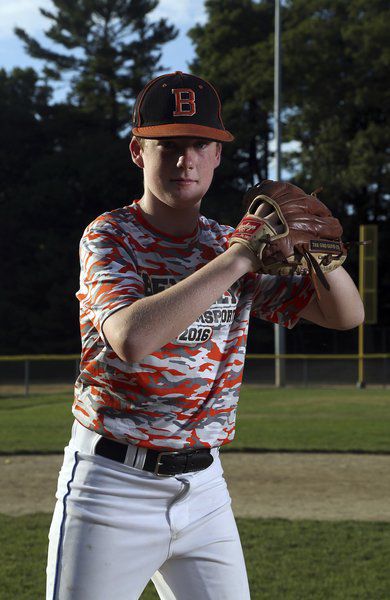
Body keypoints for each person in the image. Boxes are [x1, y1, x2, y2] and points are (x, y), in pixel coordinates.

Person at [46, 71, 364, 600]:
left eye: (199, 144)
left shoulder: (229, 241)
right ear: (137, 152)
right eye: (166, 145)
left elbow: (346, 316)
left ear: (217, 156)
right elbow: (129, 338)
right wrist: (239, 257)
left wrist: (318, 256)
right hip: (111, 488)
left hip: (205, 487)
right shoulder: (111, 235)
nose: (183, 160)